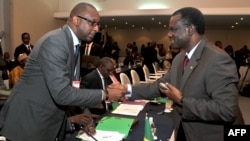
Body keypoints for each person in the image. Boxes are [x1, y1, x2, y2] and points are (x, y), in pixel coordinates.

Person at [110, 7, 244, 141]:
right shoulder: (180, 58)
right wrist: (126, 89)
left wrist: (182, 101)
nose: (169, 34)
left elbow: (227, 111)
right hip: (182, 129)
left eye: (173, 29)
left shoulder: (217, 59)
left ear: (190, 29)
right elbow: (160, 86)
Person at [0, 3, 125, 141]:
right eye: (93, 23)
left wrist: (86, 115)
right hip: (29, 123)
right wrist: (105, 94)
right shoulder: (56, 41)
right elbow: (62, 93)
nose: (96, 28)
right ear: (76, 20)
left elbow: (73, 87)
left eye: (98, 24)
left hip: (46, 122)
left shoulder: (73, 45)